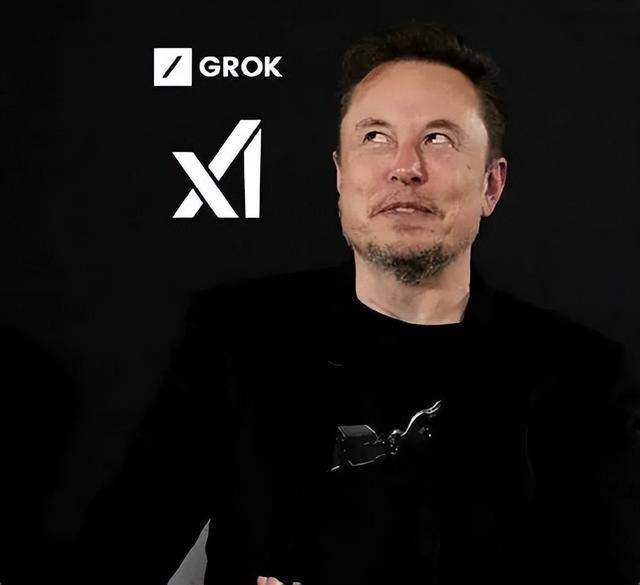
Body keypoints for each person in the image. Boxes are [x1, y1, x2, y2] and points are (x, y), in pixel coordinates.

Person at [70, 21, 639, 585]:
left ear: (491, 185)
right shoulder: (238, 337)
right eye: (375, 137)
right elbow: (115, 553)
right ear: (341, 177)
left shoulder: (578, 377)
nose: (405, 167)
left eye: (438, 139)